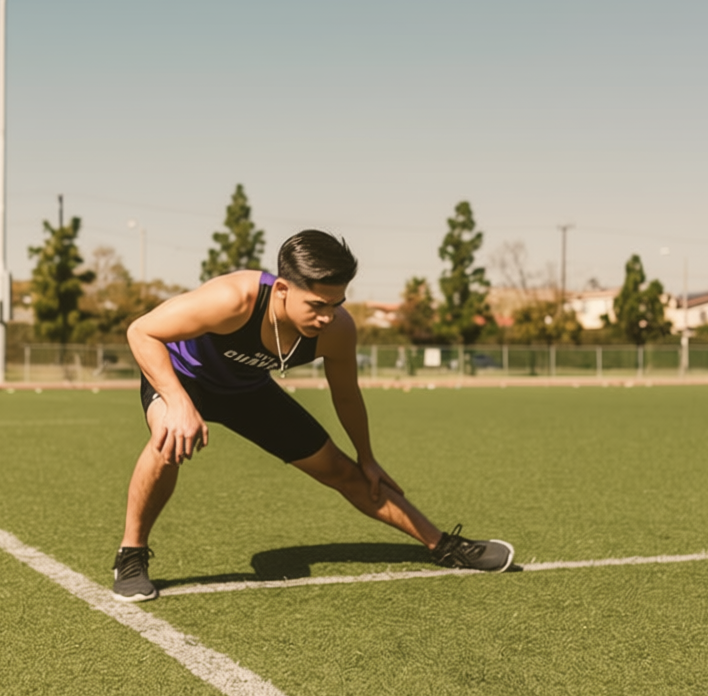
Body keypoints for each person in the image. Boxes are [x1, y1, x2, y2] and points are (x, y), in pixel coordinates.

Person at [112, 229, 513, 602]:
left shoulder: (337, 330)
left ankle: (443, 546)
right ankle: (131, 555)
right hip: (183, 378)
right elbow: (141, 332)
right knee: (167, 438)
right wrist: (178, 401)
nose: (327, 316)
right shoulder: (234, 299)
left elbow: (347, 396)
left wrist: (367, 457)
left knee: (342, 470)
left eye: (336, 304)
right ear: (282, 289)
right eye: (317, 305)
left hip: (247, 391)